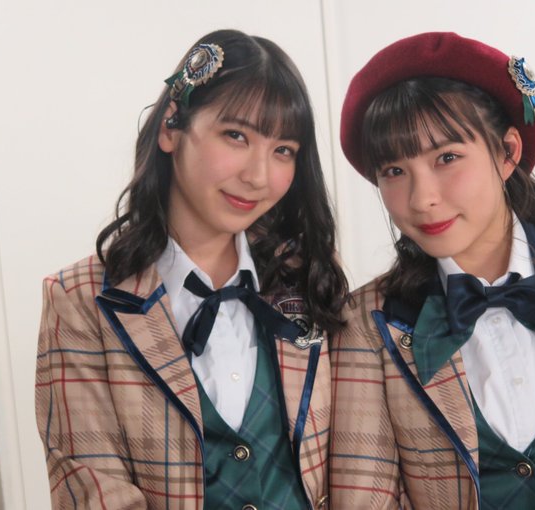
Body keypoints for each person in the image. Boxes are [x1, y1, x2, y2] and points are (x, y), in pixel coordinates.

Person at [330, 32, 535, 509]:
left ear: (507, 152)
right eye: (394, 171)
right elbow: (366, 500)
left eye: (447, 158)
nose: (422, 198)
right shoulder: (367, 323)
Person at [35, 29, 347, 510]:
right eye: (236, 136)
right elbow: (94, 493)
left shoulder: (311, 278)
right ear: (170, 129)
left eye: (283, 150)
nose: (258, 176)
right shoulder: (79, 301)